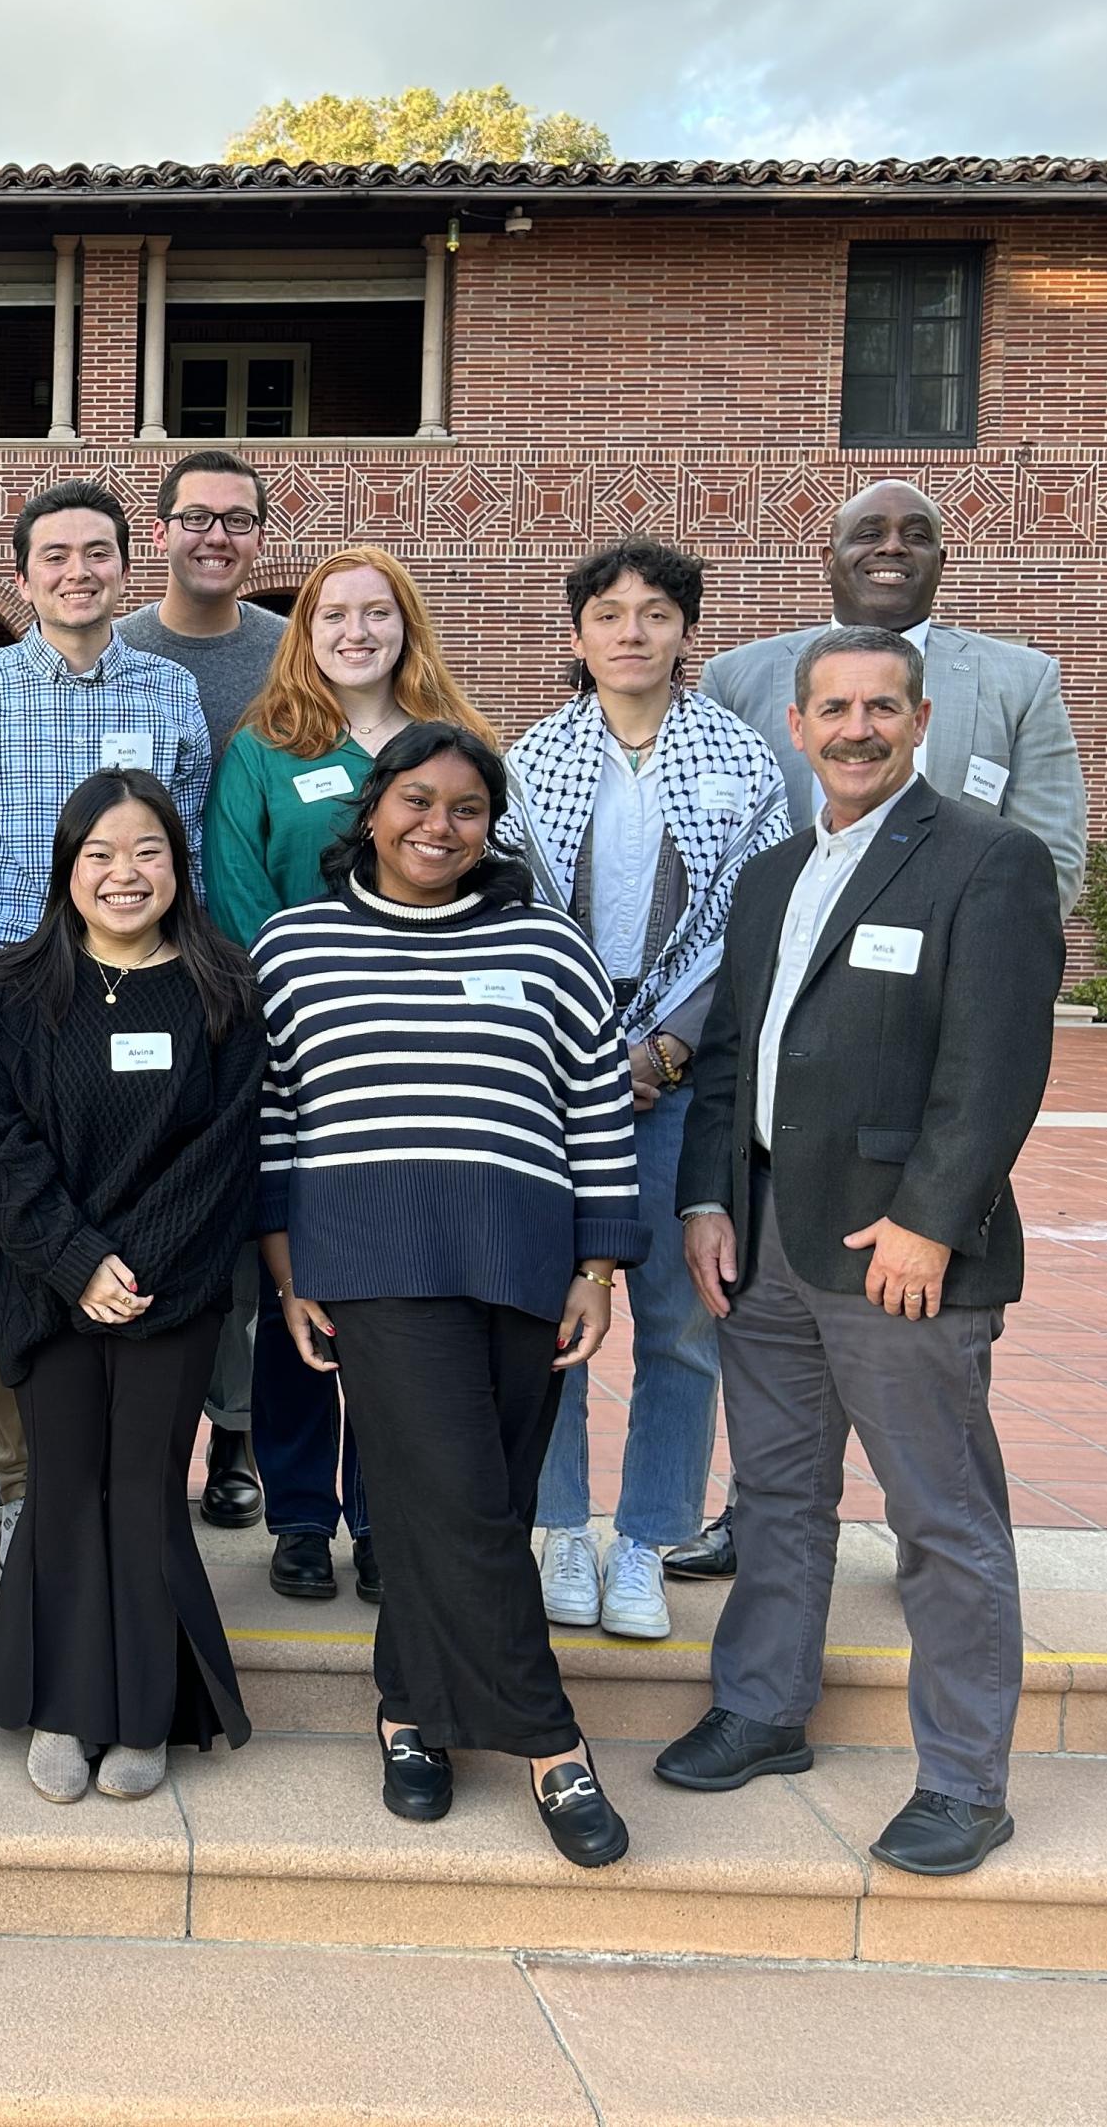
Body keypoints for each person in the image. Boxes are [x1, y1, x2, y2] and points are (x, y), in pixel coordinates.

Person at [655, 626, 1062, 1880]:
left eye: (882, 707)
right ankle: (768, 1709)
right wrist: (707, 1203)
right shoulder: (777, 873)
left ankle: (963, 1783)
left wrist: (934, 1220)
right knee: (777, 1494)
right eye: (833, 708)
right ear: (798, 726)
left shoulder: (989, 862)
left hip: (900, 1253)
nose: (856, 729)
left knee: (940, 1518)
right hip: (767, 1236)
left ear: (922, 719)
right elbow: (730, 1052)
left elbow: (994, 1067)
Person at [671, 477, 1086, 1583]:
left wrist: (970, 954)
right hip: (780, 1123)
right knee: (780, 1441)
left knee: (931, 1445)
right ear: (832, 552)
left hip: (917, 1093)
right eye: (869, 532)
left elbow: (1056, 856)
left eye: (916, 534)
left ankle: (936, 1580)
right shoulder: (744, 676)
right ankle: (760, 1610)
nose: (891, 549)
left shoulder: (1016, 680)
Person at [255, 721, 644, 1868]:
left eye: (466, 809)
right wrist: (284, 1266)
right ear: (371, 811)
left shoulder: (547, 947)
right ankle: (549, 1742)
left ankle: (412, 1715)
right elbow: (274, 1120)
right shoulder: (295, 946)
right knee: (463, 1497)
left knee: (473, 1503)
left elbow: (596, 1112)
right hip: (373, 1263)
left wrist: (599, 1267)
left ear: (492, 827)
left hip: (524, 1263)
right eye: (416, 801)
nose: (438, 826)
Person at [0, 479, 212, 1557]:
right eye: (55, 556)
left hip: (136, 990)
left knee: (113, 1208)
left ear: (125, 566)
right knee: (3, 1216)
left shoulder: (171, 693)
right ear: (26, 572)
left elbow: (189, 866)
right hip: (7, 991)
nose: (77, 573)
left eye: (97, 553)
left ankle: (73, 1466)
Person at [501, 542, 789, 1645]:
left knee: (678, 1321)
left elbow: (751, 919)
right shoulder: (530, 759)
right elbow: (511, 908)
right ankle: (564, 1527)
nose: (631, 632)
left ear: (684, 634)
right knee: (550, 1314)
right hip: (554, 1069)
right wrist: (580, 1048)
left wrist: (666, 1049)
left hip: (686, 1070)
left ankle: (646, 1543)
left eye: (655, 614)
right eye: (609, 614)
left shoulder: (742, 760)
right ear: (575, 637)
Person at [0, 771, 262, 1806]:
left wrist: (131, 1267)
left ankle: (144, 1714)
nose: (123, 874)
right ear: (65, 870)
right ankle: (61, 1705)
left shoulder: (225, 990)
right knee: (60, 1488)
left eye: (147, 852)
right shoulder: (8, 994)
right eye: (99, 854)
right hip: (50, 1291)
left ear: (179, 868)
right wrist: (76, 1260)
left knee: (141, 1492)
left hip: (171, 1295)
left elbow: (224, 1153)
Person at [207, 545, 494, 1606]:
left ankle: (382, 1515)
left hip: (423, 1061)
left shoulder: (451, 744)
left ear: (407, 624)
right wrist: (273, 1014)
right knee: (300, 1289)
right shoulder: (266, 750)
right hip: (299, 1049)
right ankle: (297, 1515)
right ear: (305, 631)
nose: (357, 632)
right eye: (335, 614)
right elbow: (236, 893)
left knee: (400, 1306)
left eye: (378, 612)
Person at [115, 449, 288, 1534]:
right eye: (195, 518)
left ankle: (234, 1436)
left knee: (233, 1224)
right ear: (163, 530)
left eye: (237, 521)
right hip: (139, 965)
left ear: (259, 537)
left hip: (249, 977)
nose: (215, 537)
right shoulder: (125, 649)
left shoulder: (288, 654)